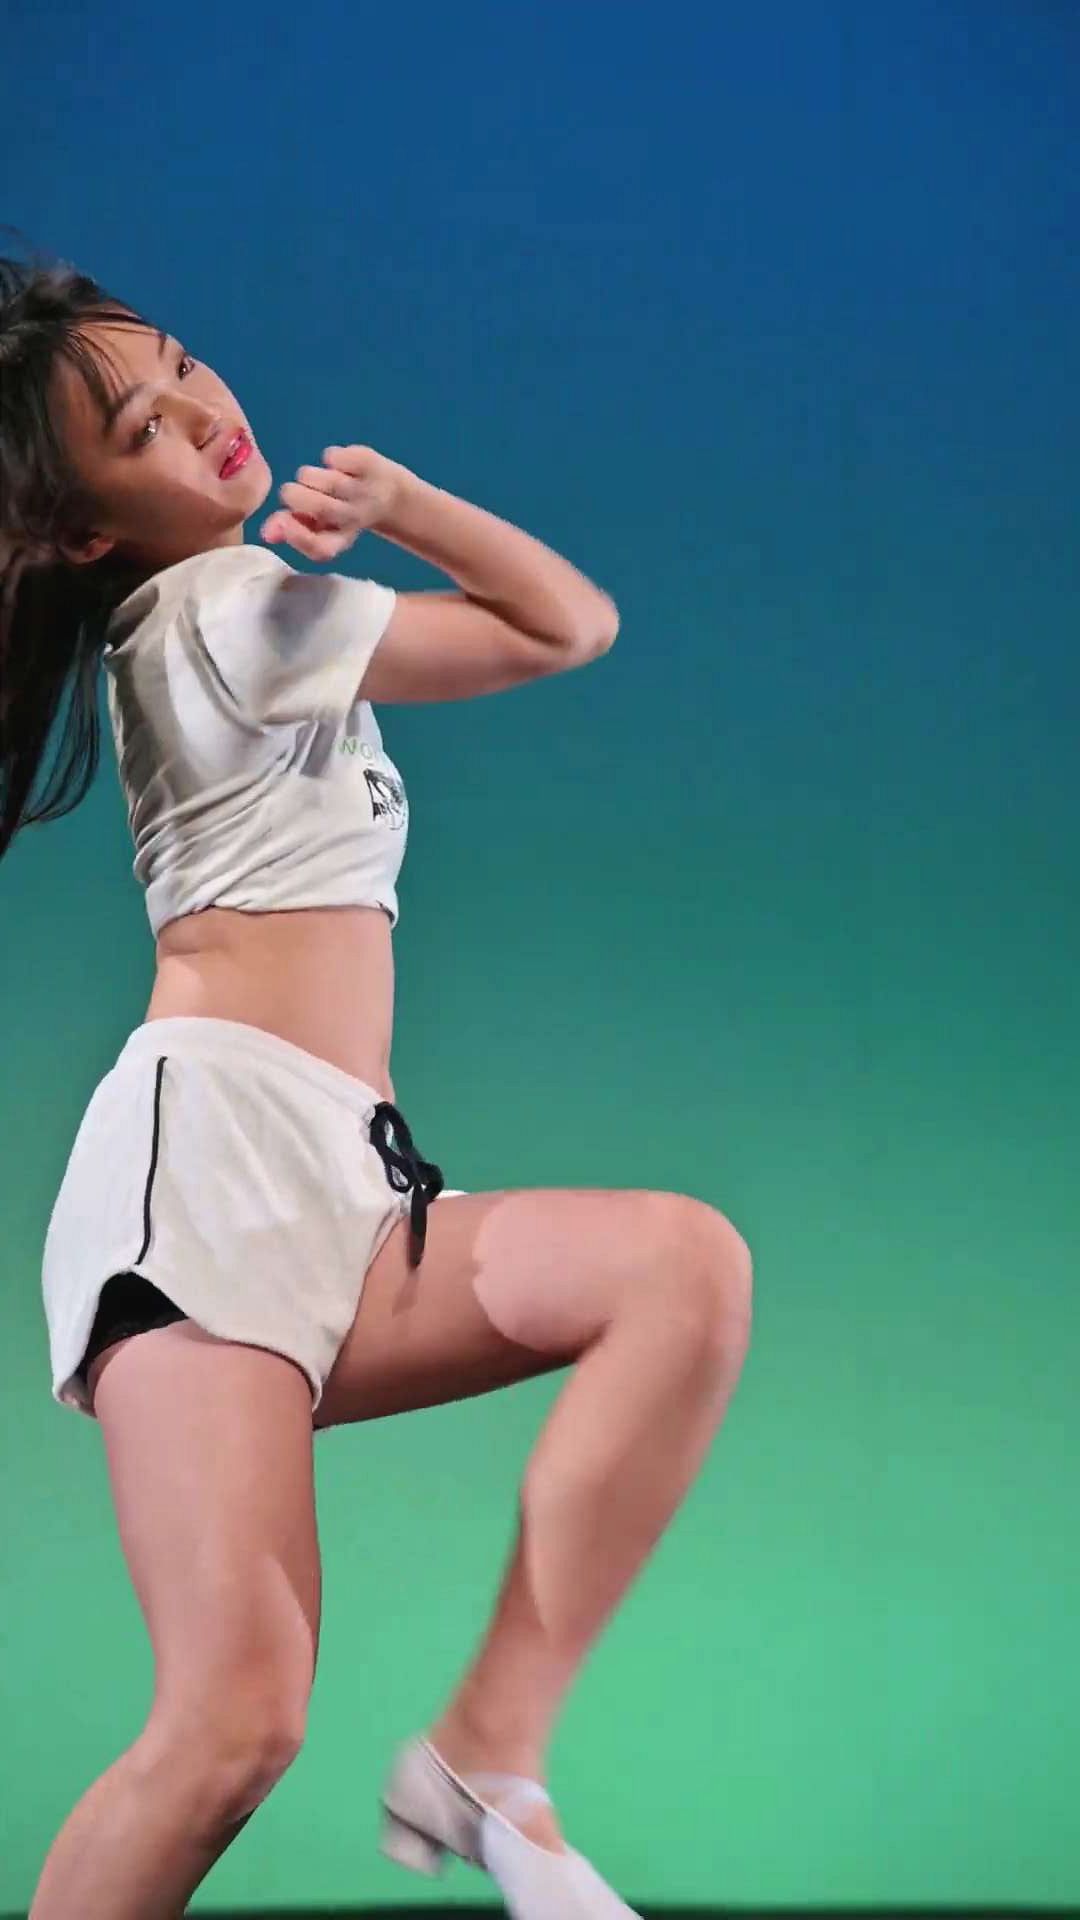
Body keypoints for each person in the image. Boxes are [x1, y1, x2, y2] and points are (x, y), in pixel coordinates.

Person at [0, 244, 754, 1920]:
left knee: (678, 1271)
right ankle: (484, 1751)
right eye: (141, 426)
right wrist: (407, 507)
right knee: (226, 1731)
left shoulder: (230, 618)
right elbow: (563, 627)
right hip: (206, 1188)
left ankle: (489, 1755)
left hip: (346, 1180)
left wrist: (401, 506)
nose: (201, 407)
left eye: (181, 361)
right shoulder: (221, 611)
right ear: (82, 529)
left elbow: (565, 627)